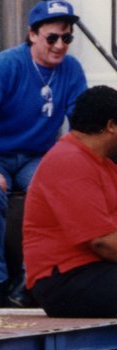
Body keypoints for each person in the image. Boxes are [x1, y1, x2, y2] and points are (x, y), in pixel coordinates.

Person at [0, 0, 88, 309]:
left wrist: (71, 163)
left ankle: (31, 279)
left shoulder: (72, 70)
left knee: (56, 193)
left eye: (67, 38)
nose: (60, 45)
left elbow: (81, 122)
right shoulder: (8, 63)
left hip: (35, 157)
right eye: (52, 37)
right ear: (32, 34)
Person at [23, 86, 117, 316]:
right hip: (65, 280)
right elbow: (103, 243)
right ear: (111, 126)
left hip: (91, 270)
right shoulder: (70, 161)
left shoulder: (101, 163)